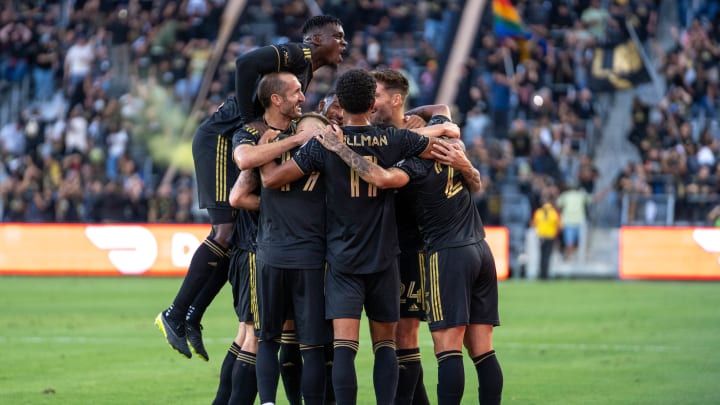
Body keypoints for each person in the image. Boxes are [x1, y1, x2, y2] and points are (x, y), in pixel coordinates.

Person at [258, 69, 458, 405]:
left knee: (345, 350)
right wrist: (439, 136)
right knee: (385, 348)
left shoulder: (323, 144)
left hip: (342, 260)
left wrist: (265, 155)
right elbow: (444, 141)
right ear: (371, 103)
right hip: (384, 258)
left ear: (342, 102)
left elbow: (274, 179)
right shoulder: (393, 140)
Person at [155, 14, 347, 361]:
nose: (343, 44)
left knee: (234, 235)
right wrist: (249, 122)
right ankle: (174, 313)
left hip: (236, 140)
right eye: (338, 36)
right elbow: (244, 63)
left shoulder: (305, 70)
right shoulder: (297, 54)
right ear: (317, 40)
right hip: (220, 140)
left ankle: (192, 316)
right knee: (225, 230)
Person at [313, 90, 503, 405]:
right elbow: (443, 114)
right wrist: (466, 166)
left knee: (444, 348)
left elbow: (382, 177)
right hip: (480, 248)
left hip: (442, 253)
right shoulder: (451, 147)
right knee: (481, 349)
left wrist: (341, 148)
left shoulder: (411, 165)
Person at [233, 73, 332, 405]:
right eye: (297, 91)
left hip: (276, 252)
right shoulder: (259, 136)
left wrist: (281, 208)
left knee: (272, 338)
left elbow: (240, 195)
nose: (303, 96)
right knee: (307, 343)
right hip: (300, 255)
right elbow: (241, 182)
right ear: (276, 99)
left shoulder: (279, 143)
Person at [368, 68, 457, 405]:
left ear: (395, 99)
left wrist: (416, 116)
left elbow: (444, 109)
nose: (371, 103)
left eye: (376, 95)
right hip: (378, 248)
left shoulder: (411, 135)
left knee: (404, 336)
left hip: (409, 248)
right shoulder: (379, 131)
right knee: (392, 339)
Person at [531, 200, 562, 279]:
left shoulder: (539, 212)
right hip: (550, 236)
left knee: (541, 255)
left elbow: (533, 224)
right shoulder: (553, 213)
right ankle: (545, 274)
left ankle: (541, 273)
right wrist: (556, 234)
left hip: (541, 237)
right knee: (547, 256)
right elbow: (559, 225)